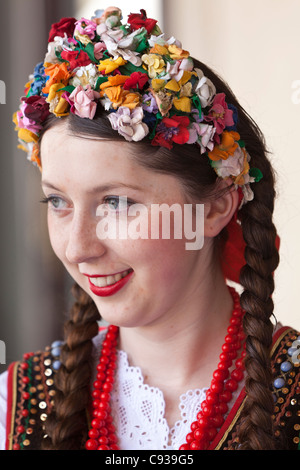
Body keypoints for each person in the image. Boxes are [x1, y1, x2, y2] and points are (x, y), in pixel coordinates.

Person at [0, 6, 299, 451]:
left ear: (215, 207)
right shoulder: (15, 404)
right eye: (58, 201)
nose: (78, 247)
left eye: (116, 203)